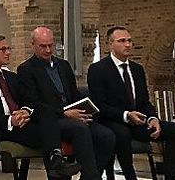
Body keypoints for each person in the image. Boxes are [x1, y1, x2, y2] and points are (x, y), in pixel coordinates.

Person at [0, 33, 82, 179]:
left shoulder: (11, 77)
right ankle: (56, 163)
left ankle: (56, 161)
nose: (8, 52)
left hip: (21, 124)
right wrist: (9, 120)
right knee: (50, 134)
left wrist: (25, 111)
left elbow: (27, 101)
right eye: (3, 49)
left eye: (8, 48)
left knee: (47, 115)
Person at [86, 26, 175, 180]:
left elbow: (145, 101)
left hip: (138, 121)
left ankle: (171, 176)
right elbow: (99, 105)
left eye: (129, 41)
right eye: (122, 41)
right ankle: (130, 176)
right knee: (122, 134)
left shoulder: (137, 69)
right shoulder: (98, 69)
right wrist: (126, 115)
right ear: (110, 44)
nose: (127, 44)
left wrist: (153, 119)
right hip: (113, 120)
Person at [17, 27, 116, 180]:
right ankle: (92, 176)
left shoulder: (63, 66)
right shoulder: (26, 70)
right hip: (52, 119)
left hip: (73, 114)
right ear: (33, 45)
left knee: (107, 136)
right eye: (43, 46)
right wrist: (64, 112)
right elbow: (33, 103)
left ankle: (89, 176)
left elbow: (74, 95)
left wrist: (84, 108)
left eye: (51, 45)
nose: (48, 50)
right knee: (80, 129)